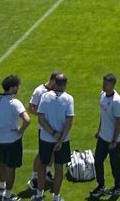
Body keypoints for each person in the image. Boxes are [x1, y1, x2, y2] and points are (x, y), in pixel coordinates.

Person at [35, 73, 74, 201]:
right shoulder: (69, 99)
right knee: (58, 168)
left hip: (46, 138)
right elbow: (69, 122)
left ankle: (39, 195)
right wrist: (60, 140)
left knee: (42, 166)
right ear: (65, 85)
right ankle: (56, 197)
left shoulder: (45, 97)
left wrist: (52, 133)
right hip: (63, 140)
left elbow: (40, 118)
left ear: (55, 84)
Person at [0, 74, 29, 201]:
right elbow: (27, 120)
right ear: (12, 88)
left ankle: (1, 187)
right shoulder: (15, 103)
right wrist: (21, 130)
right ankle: (7, 195)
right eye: (17, 86)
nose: (18, 88)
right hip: (13, 140)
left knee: (2, 162)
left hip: (0, 139)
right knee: (11, 167)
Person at [91, 72, 120, 199]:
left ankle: (118, 187)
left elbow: (118, 122)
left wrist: (114, 140)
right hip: (103, 137)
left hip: (113, 139)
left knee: (114, 163)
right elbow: (102, 115)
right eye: (103, 83)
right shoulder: (102, 95)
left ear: (113, 85)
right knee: (98, 160)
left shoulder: (117, 102)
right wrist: (99, 130)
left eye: (106, 84)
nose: (104, 86)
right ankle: (101, 186)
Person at [27, 73, 57, 193]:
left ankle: (47, 172)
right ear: (53, 81)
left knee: (53, 152)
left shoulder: (55, 91)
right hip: (44, 128)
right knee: (42, 154)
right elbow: (31, 108)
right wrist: (44, 116)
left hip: (54, 127)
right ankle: (34, 177)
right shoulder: (39, 91)